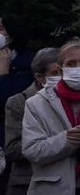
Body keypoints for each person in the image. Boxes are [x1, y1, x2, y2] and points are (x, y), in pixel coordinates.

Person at [22, 39, 80, 195]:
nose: (78, 68)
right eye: (71, 64)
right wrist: (67, 140)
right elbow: (32, 151)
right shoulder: (36, 104)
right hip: (52, 188)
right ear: (60, 70)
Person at [5, 48, 58, 195]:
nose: (63, 78)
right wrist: (59, 141)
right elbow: (12, 149)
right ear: (40, 77)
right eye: (56, 73)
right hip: (27, 183)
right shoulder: (19, 102)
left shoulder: (73, 101)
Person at [0, 19, 36, 154]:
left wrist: (3, 73)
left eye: (1, 28)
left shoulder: (27, 63)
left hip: (9, 134)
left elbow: (8, 101)